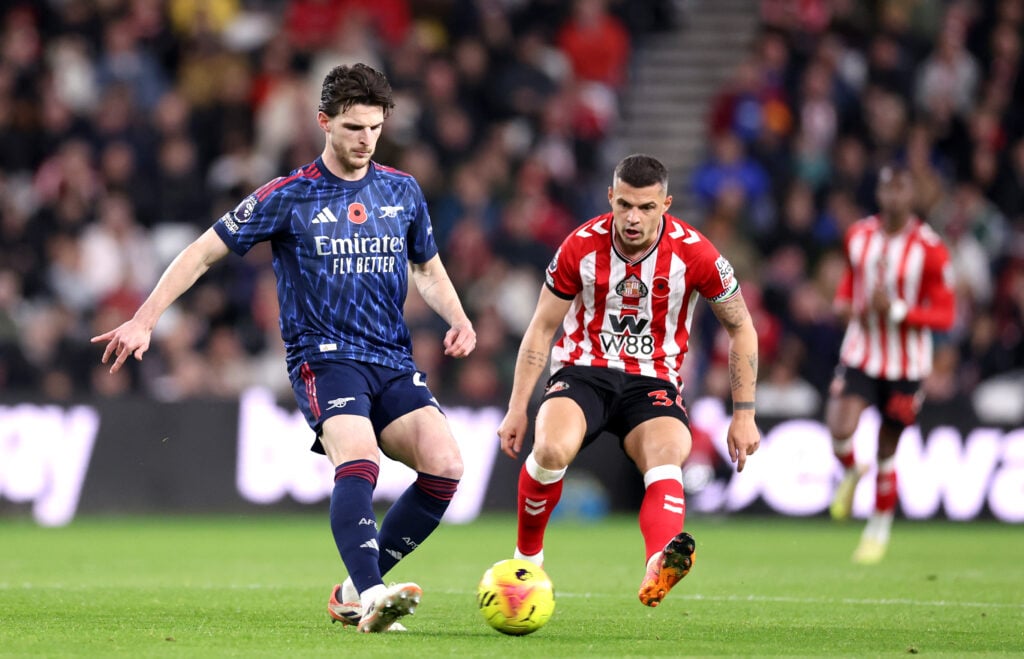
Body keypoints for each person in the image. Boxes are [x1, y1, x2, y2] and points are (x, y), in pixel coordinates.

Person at [92, 63, 476, 632]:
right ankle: (374, 594)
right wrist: (145, 320)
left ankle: (354, 589)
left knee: (445, 467)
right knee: (361, 460)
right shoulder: (290, 195)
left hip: (392, 358)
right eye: (353, 127)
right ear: (324, 122)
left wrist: (459, 318)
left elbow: (428, 267)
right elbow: (202, 252)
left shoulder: (402, 190)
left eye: (375, 127)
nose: (366, 139)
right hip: (325, 358)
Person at [496, 153, 760, 607]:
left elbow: (742, 328)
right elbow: (541, 327)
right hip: (584, 371)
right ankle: (527, 560)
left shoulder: (696, 253)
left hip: (653, 380)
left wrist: (745, 414)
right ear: (610, 199)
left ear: (666, 205)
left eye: (646, 207)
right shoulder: (580, 245)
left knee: (668, 455)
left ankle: (659, 561)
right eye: (624, 205)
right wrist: (517, 407)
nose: (633, 218)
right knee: (551, 449)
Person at [826, 162, 955, 564]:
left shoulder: (930, 250)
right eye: (887, 188)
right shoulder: (858, 235)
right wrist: (843, 301)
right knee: (840, 429)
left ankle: (877, 531)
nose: (893, 196)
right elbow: (851, 278)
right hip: (861, 351)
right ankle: (852, 469)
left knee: (887, 449)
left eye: (901, 188)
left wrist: (899, 311)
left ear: (912, 195)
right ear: (879, 193)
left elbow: (946, 315)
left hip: (906, 365)